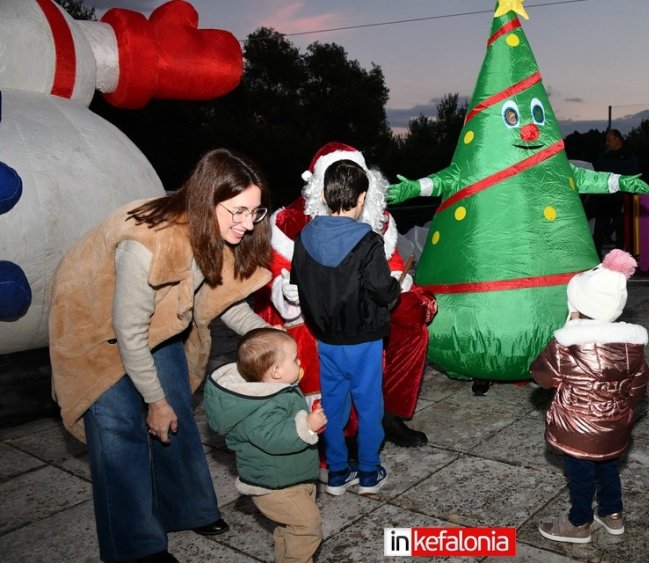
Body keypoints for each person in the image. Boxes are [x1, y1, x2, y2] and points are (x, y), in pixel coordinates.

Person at [48, 148, 275, 562]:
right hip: (96, 329)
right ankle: (136, 547)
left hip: (156, 321)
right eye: (239, 212)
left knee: (177, 413)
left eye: (255, 213)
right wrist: (153, 401)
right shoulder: (147, 244)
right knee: (120, 434)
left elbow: (223, 300)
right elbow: (129, 332)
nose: (248, 224)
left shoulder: (212, 228)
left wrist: (272, 335)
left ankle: (185, 508)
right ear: (209, 199)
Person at [256, 142, 436, 449]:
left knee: (410, 318)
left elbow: (391, 264)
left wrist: (398, 282)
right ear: (320, 188)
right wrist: (286, 292)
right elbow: (279, 274)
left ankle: (388, 413)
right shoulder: (292, 222)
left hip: (367, 300)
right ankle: (338, 429)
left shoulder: (378, 219)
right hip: (317, 308)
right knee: (324, 337)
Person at [292, 158, 401, 497]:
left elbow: (301, 285)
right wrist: (397, 283)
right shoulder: (367, 241)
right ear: (361, 197)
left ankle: (337, 472)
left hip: (326, 340)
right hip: (364, 341)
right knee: (368, 406)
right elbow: (383, 292)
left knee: (333, 405)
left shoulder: (304, 236)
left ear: (325, 195)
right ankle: (369, 472)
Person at [532, 250, 649, 544]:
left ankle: (579, 522)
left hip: (577, 430)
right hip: (615, 426)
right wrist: (621, 406)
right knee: (609, 467)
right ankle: (612, 515)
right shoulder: (632, 345)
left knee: (581, 475)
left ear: (578, 305)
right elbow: (639, 384)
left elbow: (541, 375)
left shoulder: (567, 344)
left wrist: (568, 327)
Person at [205, 328, 326, 563]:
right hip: (276, 485)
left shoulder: (273, 389)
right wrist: (307, 427)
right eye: (294, 359)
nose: (299, 361)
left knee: (292, 528)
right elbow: (274, 437)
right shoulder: (262, 405)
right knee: (307, 526)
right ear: (277, 371)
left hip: (288, 476)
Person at [588, 129, 640, 255]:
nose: (607, 143)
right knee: (599, 229)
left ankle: (618, 257)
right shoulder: (605, 156)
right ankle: (596, 256)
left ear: (618, 139)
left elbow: (632, 177)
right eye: (606, 140)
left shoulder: (628, 156)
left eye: (609, 140)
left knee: (620, 230)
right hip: (604, 199)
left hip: (620, 199)